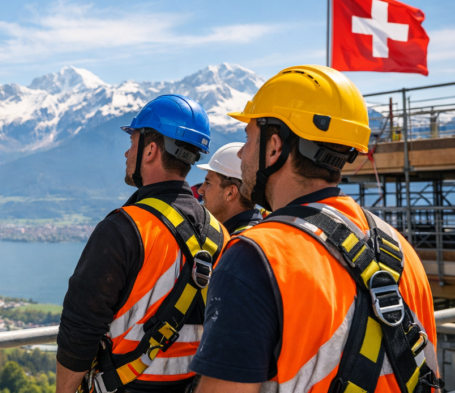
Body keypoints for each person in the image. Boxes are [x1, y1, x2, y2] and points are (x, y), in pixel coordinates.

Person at [190, 65, 440, 393]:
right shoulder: (399, 249)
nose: (241, 152)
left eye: (249, 138)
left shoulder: (254, 258)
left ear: (274, 147)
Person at [56, 95, 230, 393]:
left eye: (133, 142)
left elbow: (80, 330)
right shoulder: (220, 234)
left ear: (150, 150)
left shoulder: (124, 229)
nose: (126, 153)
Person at [197, 142, 262, 235]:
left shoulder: (241, 242)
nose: (200, 190)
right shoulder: (246, 234)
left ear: (230, 192)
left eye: (208, 183)